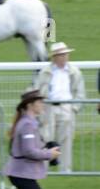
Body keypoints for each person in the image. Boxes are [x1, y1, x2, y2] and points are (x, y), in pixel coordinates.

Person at [32, 42, 84, 174]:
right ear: (54, 57)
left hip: (66, 107)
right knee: (45, 138)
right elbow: (37, 89)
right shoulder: (45, 72)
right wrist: (39, 109)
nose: (64, 57)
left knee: (66, 139)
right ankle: (42, 168)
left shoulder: (74, 72)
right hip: (48, 107)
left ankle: (65, 169)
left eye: (65, 54)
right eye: (61, 55)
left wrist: (74, 109)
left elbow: (80, 92)